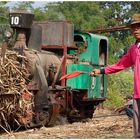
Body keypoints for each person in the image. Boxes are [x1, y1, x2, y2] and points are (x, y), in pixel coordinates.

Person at [90, 14, 140, 138]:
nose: (136, 30)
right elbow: (120, 64)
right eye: (133, 28)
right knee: (138, 131)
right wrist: (101, 71)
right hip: (138, 95)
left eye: (139, 27)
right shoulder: (134, 49)